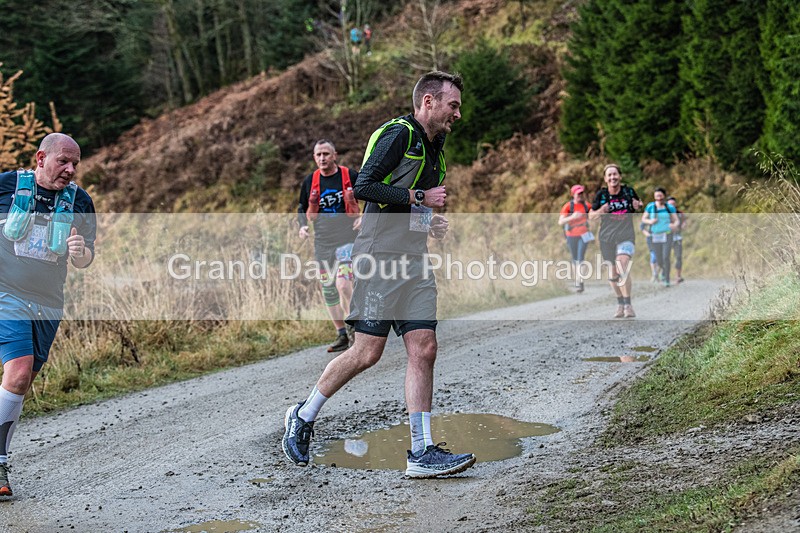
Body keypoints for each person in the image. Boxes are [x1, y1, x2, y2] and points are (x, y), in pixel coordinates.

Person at [282, 71, 476, 479]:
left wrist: (429, 221)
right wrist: (421, 197)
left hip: (414, 259)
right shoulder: (399, 134)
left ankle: (421, 452)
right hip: (379, 257)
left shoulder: (436, 148)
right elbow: (366, 187)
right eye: (453, 105)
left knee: (424, 348)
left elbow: (407, 209)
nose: (458, 114)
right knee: (367, 352)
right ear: (428, 102)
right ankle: (303, 414)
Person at [0, 133, 96, 496]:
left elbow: (86, 259)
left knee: (22, 383)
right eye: (63, 162)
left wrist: (80, 251)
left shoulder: (80, 201)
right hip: (6, 294)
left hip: (49, 302)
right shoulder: (8, 186)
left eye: (75, 164)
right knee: (18, 373)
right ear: (41, 158)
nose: (70, 170)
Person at [297, 140, 361, 352]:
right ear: (314, 157)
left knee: (343, 285)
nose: (322, 158)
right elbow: (301, 207)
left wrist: (365, 217)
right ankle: (341, 334)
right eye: (318, 154)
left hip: (347, 241)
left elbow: (370, 195)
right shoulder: (310, 181)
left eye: (326, 154)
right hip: (323, 244)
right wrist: (302, 226)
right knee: (329, 289)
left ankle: (354, 329)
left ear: (335, 155)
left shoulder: (349, 175)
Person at [589, 164, 643, 318]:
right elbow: (591, 216)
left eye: (615, 174)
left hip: (626, 236)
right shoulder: (602, 195)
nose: (613, 177)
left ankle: (628, 305)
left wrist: (638, 206)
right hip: (606, 238)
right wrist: (601, 210)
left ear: (620, 176)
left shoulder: (628, 191)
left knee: (622, 266)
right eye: (609, 175)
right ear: (605, 179)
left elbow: (639, 204)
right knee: (613, 274)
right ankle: (620, 303)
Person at [558, 184, 592, 293]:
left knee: (580, 257)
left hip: (584, 234)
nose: (580, 195)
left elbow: (594, 215)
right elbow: (560, 222)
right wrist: (572, 217)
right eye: (578, 194)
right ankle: (578, 280)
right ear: (573, 194)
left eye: (582, 193)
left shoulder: (587, 206)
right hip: (571, 235)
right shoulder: (568, 206)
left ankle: (580, 282)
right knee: (575, 259)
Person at [642, 187, 678, 287]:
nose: (658, 198)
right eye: (656, 196)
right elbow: (643, 219)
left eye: (660, 195)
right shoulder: (650, 207)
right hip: (655, 235)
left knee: (666, 256)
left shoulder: (669, 208)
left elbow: (676, 220)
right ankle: (663, 270)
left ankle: (667, 279)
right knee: (658, 258)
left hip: (667, 234)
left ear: (664, 196)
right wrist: (650, 221)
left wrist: (674, 225)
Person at [667, 196, 687, 283]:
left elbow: (684, 221)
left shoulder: (680, 213)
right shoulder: (663, 213)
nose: (672, 205)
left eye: (673, 204)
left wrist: (683, 225)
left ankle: (678, 276)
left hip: (677, 238)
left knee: (678, 257)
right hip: (666, 238)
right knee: (665, 257)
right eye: (670, 204)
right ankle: (663, 275)